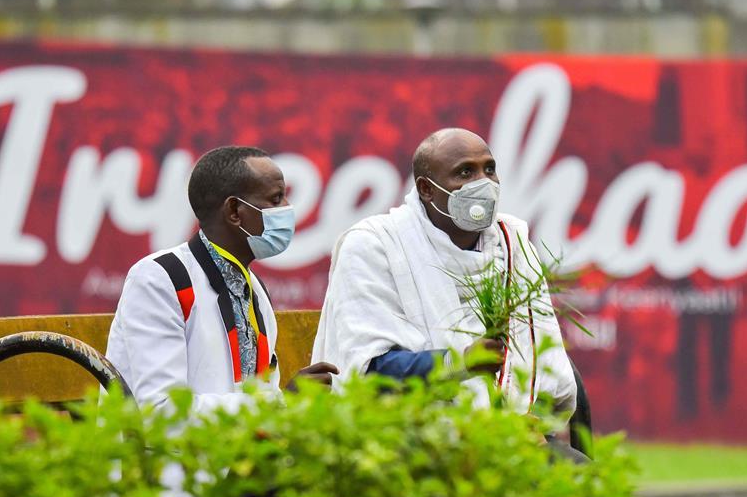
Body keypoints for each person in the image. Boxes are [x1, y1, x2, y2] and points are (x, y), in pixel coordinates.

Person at [312, 128, 577, 419]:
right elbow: (369, 370)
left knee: (573, 465)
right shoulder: (374, 244)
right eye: (465, 173)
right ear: (426, 189)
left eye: (489, 169)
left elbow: (543, 361)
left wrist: (527, 425)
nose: (484, 183)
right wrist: (460, 362)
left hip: (513, 431)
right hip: (408, 433)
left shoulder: (512, 240)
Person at [106, 146, 337, 415]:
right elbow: (162, 412)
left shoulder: (256, 291)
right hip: (161, 457)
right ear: (235, 211)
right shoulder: (160, 279)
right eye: (276, 199)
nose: (287, 209)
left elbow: (263, 404)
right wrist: (280, 402)